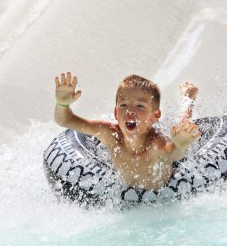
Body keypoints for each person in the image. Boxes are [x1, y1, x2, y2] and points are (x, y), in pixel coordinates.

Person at [54, 72, 201, 191]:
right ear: (116, 113)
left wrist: (181, 144)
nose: (130, 111)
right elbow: (65, 121)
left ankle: (187, 100)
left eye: (140, 106)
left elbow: (175, 155)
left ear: (155, 115)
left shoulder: (156, 143)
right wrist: (62, 104)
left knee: (182, 131)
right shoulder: (109, 133)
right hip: (128, 191)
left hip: (165, 187)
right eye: (123, 105)